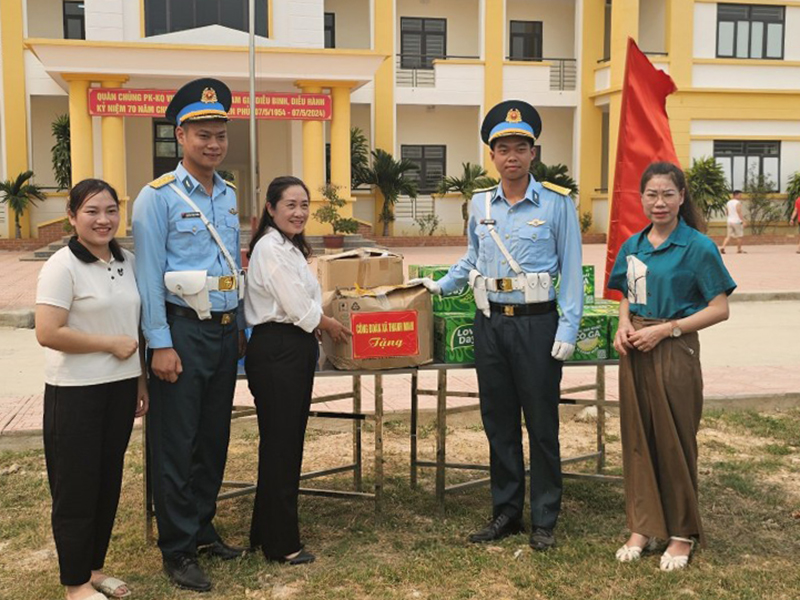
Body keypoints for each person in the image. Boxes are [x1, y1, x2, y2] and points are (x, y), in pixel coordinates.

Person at [413, 100, 583, 551]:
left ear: (534, 153)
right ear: (492, 155)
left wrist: (568, 329)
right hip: (490, 324)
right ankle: (506, 512)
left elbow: (571, 269)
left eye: (520, 148)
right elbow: (472, 257)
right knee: (498, 423)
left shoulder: (557, 203)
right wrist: (438, 286)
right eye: (503, 148)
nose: (512, 156)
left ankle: (544, 517)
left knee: (542, 425)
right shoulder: (480, 203)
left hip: (537, 325)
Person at [132, 78, 247, 592]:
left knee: (213, 438)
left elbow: (231, 268)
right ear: (180, 135)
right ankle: (176, 549)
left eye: (220, 133)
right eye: (202, 133)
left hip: (223, 333)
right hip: (181, 332)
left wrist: (240, 325)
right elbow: (149, 275)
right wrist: (159, 343)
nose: (213, 144)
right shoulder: (156, 198)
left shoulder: (229, 195)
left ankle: (201, 526)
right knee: (175, 444)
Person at [608, 162, 736, 571]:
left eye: (667, 194)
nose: (659, 202)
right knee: (638, 438)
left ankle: (681, 534)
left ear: (682, 197)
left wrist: (667, 331)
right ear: (641, 198)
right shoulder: (634, 245)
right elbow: (628, 293)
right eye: (651, 194)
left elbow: (720, 309)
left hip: (674, 349)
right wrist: (623, 324)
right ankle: (642, 526)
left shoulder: (697, 247)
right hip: (636, 350)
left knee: (676, 441)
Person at [36, 179, 148, 600]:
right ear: (71, 216)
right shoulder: (61, 265)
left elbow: (130, 327)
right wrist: (108, 345)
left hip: (119, 388)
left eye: (110, 211)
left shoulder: (128, 260)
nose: (103, 220)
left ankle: (94, 569)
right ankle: (74, 583)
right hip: (76, 391)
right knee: (76, 485)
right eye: (91, 212)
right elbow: (48, 332)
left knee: (107, 480)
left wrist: (138, 380)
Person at [244, 176, 351, 565]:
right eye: (290, 204)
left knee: (280, 444)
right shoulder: (270, 248)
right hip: (278, 349)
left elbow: (306, 296)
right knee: (282, 446)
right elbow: (296, 306)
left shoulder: (288, 247)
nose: (299, 212)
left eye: (304, 204)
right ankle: (282, 544)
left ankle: (264, 532)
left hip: (291, 349)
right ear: (270, 209)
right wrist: (329, 324)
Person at [720, 189, 746, 254]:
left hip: (729, 221)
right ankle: (739, 249)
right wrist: (743, 221)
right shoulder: (737, 203)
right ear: (736, 195)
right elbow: (739, 212)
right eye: (740, 195)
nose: (741, 196)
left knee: (728, 236)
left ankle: (723, 247)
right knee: (739, 236)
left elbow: (727, 212)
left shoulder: (728, 202)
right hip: (736, 221)